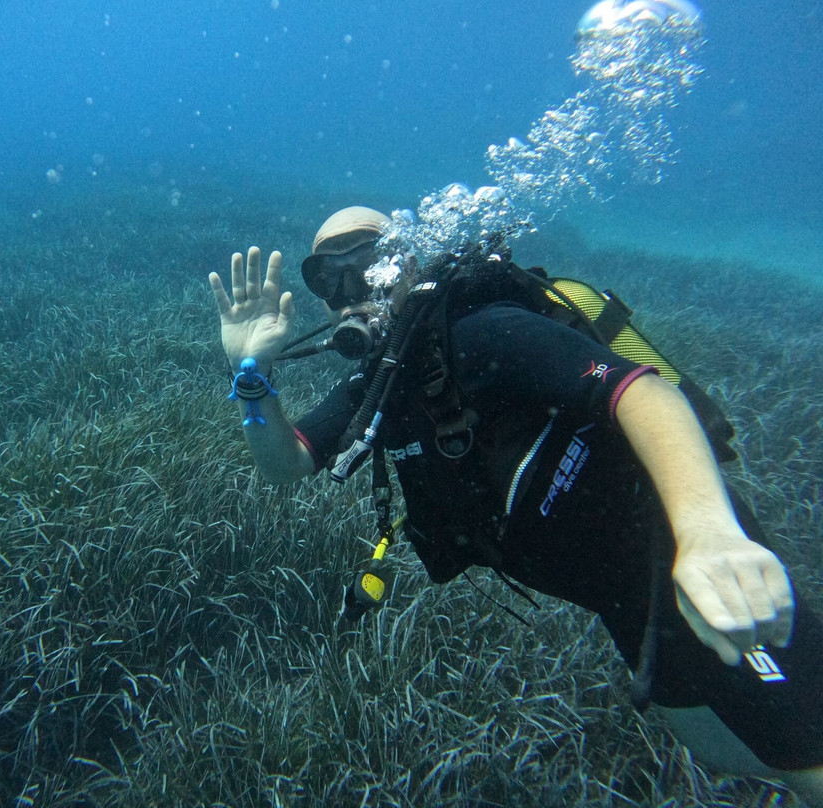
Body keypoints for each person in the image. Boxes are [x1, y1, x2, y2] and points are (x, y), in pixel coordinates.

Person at [208, 206, 823, 804]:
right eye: (327, 275)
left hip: (688, 560)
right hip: (621, 598)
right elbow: (284, 463)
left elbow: (643, 395)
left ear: (405, 262)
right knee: (720, 748)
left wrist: (710, 532)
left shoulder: (484, 330)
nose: (348, 290)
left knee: (807, 758)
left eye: (366, 263)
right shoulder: (383, 383)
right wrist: (251, 376)